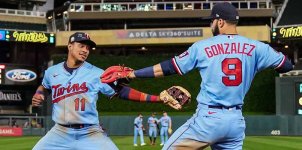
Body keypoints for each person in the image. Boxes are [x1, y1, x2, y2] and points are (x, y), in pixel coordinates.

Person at [105, 2, 293, 149]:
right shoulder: (257, 48)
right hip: (235, 122)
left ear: (220, 22)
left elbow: (169, 67)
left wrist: (132, 73)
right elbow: (286, 65)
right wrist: (254, 66)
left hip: (207, 120)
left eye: (211, 21)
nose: (210, 24)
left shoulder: (203, 47)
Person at [31, 32, 166, 150]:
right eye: (81, 46)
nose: (85, 50)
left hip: (89, 132)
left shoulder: (97, 73)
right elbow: (45, 87)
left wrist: (158, 98)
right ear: (70, 46)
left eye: (88, 48)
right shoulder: (52, 72)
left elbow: (122, 92)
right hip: (59, 132)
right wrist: (39, 94)